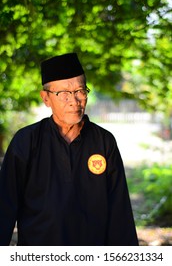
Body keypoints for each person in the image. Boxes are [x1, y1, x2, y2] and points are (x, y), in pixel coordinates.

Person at [0, 53, 138, 246]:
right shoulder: (26, 141)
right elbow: (4, 207)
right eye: (63, 94)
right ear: (46, 98)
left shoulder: (104, 142)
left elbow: (119, 211)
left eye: (80, 91)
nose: (74, 101)